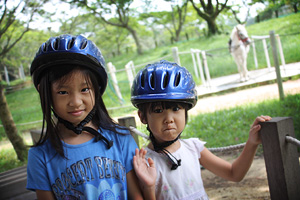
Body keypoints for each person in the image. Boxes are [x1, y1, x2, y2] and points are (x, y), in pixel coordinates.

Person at [27, 34, 155, 200]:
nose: (75, 102)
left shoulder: (121, 139)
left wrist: (149, 187)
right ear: (46, 93)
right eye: (63, 92)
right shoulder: (40, 156)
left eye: (85, 89)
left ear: (96, 88)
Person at [131, 60, 272, 200]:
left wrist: (252, 143)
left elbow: (234, 173)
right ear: (143, 117)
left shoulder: (193, 148)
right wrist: (149, 186)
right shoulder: (145, 163)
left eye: (176, 109)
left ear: (186, 111)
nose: (169, 119)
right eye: (158, 110)